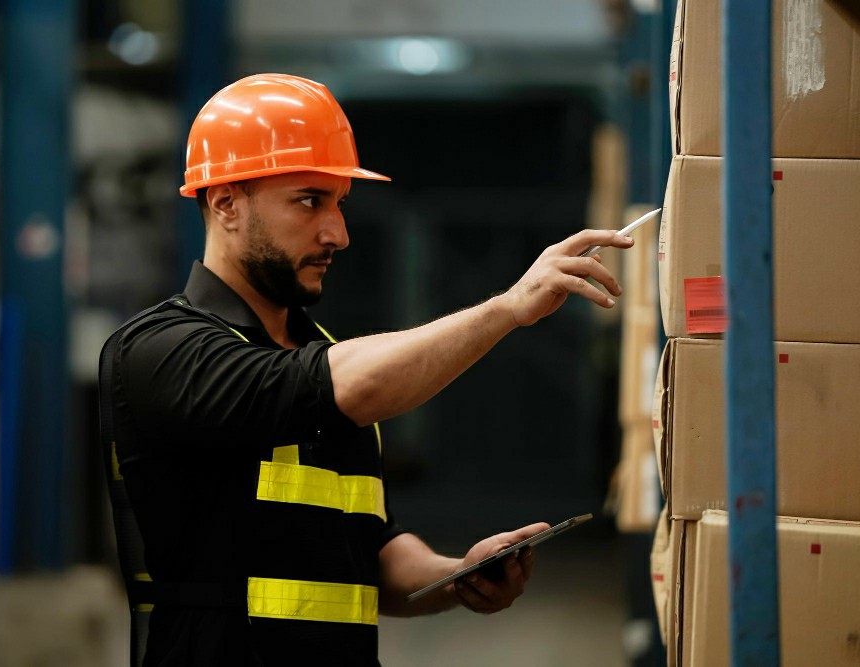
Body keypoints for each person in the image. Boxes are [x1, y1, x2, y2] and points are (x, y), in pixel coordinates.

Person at [104, 73, 632, 666]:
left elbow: (367, 547)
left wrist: (456, 576)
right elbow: (330, 385)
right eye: (310, 200)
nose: (338, 233)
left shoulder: (320, 352)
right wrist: (509, 307)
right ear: (226, 202)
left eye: (340, 204)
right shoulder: (160, 351)